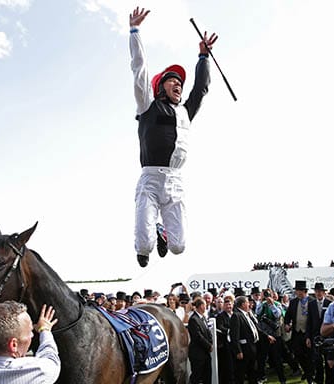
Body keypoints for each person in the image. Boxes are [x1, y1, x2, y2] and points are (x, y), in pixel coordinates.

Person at [129, 6, 218, 267]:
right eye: (172, 81)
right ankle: (146, 242)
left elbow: (200, 89)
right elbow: (139, 69)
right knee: (144, 245)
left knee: (178, 247)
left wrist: (203, 58)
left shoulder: (185, 112)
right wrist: (135, 31)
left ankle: (162, 232)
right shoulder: (147, 104)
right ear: (159, 88)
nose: (178, 83)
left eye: (180, 82)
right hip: (151, 180)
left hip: (176, 182)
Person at [230, 295, 271, 384]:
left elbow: (255, 328)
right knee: (240, 374)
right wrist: (238, 351)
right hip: (244, 350)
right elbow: (234, 335)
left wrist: (267, 335)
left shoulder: (247, 314)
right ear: (243, 304)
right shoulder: (236, 316)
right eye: (247, 302)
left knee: (252, 372)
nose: (249, 304)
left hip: (252, 347)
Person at [284, 280, 314, 384]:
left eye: (299, 291)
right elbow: (287, 315)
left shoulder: (311, 301)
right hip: (297, 332)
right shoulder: (293, 302)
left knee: (309, 355)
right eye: (296, 291)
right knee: (298, 354)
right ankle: (306, 371)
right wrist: (287, 323)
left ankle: (310, 377)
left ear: (304, 291)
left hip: (308, 333)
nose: (297, 293)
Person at [306, 282, 334, 384]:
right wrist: (308, 337)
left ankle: (329, 380)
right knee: (317, 360)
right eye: (316, 291)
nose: (318, 293)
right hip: (315, 336)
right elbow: (309, 322)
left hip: (327, 335)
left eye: (320, 291)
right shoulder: (311, 304)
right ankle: (319, 380)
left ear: (323, 292)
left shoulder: (329, 303)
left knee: (328, 359)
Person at [187, 298, 213, 384]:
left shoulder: (203, 318)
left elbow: (208, 332)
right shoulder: (193, 319)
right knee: (196, 376)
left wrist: (211, 343)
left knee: (207, 376)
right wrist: (208, 346)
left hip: (206, 353)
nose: (206, 307)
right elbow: (197, 336)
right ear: (201, 306)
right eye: (205, 305)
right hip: (197, 354)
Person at [215, 295, 234, 384]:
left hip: (235, 344)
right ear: (223, 306)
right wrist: (231, 331)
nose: (228, 307)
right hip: (226, 345)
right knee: (228, 366)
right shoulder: (220, 316)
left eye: (230, 305)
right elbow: (220, 327)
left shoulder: (235, 315)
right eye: (226, 305)